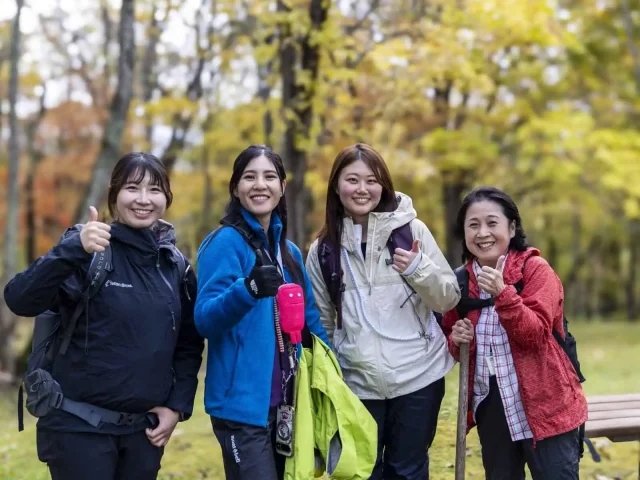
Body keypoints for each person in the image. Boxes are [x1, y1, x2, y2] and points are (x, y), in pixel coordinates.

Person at [3, 153, 204, 480]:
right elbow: (20, 299)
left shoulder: (175, 267)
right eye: (132, 188)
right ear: (114, 195)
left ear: (166, 198)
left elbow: (188, 343)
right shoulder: (89, 250)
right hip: (77, 429)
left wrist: (176, 407)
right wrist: (72, 249)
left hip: (143, 434)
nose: (143, 199)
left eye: (154, 190)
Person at [305, 143, 460, 480]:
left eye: (371, 180)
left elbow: (448, 299)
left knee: (408, 471)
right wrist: (332, 380)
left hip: (419, 377)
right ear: (336, 186)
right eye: (352, 180)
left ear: (384, 186)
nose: (362, 189)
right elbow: (322, 323)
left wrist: (418, 268)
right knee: (363, 472)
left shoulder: (413, 232)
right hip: (356, 383)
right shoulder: (322, 251)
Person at [194, 145, 330, 480]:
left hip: (288, 404)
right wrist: (248, 289)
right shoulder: (224, 243)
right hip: (241, 410)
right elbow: (204, 319)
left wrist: (332, 374)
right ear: (235, 188)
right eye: (249, 177)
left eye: (269, 177)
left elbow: (311, 321)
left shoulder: (290, 252)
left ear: (282, 187)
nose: (259, 185)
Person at [442, 186, 587, 480]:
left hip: (546, 402)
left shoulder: (535, 271)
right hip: (492, 406)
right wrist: (457, 340)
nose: (483, 233)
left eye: (492, 223)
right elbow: (455, 344)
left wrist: (503, 294)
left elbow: (535, 334)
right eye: (473, 225)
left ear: (511, 227)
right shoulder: (459, 282)